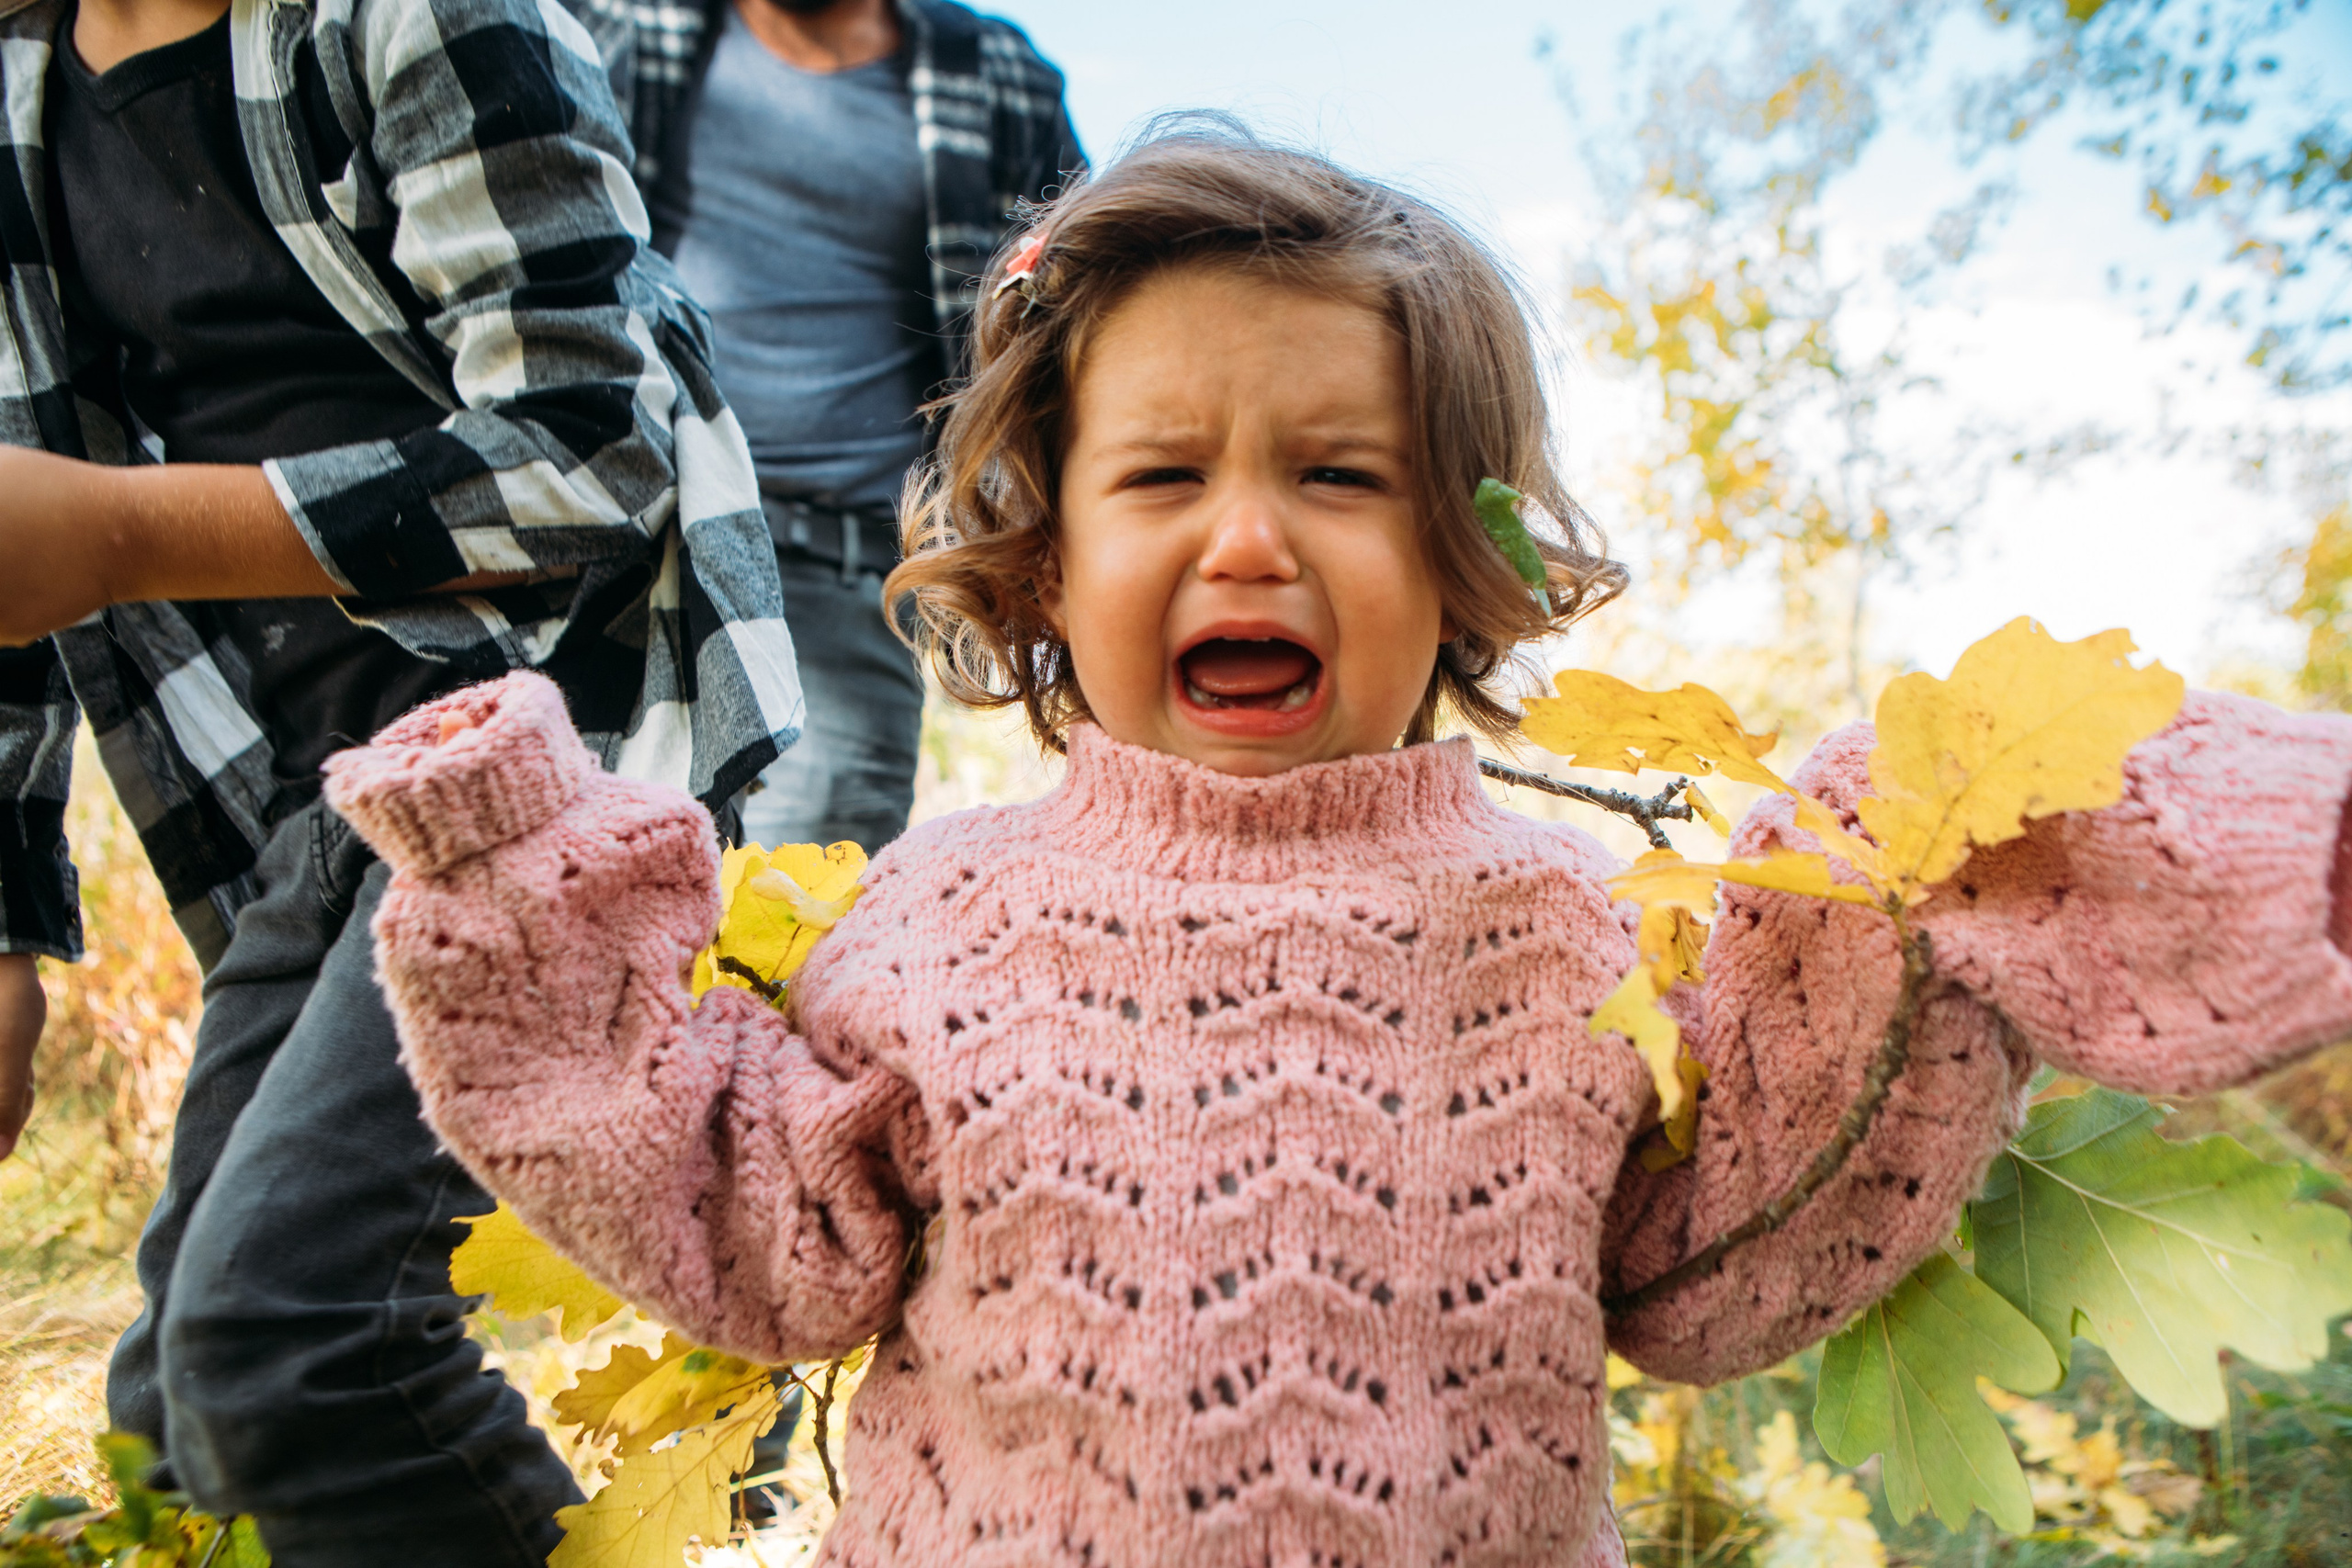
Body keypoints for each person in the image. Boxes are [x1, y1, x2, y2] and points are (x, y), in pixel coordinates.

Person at [322, 127, 2352, 1568]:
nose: (1245, 535)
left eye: (1337, 472)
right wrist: (508, 869)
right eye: (1162, 473)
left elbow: (1711, 1273)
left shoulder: (1571, 929)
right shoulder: (938, 918)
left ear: (1464, 558)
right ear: (1041, 561)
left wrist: (1909, 895)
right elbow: (747, 1232)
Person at [0, 0, 799, 1558]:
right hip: (305, 807)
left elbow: (583, 457)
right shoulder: (20, 100)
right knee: (179, 1405)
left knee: (292, 1343)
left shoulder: (419, 21)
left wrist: (113, 529)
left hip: (547, 765)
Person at [570, 0, 1083, 854]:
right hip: (631, 551)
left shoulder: (995, 74)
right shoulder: (618, 29)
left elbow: (1070, 322)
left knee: (792, 931)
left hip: (845, 583)